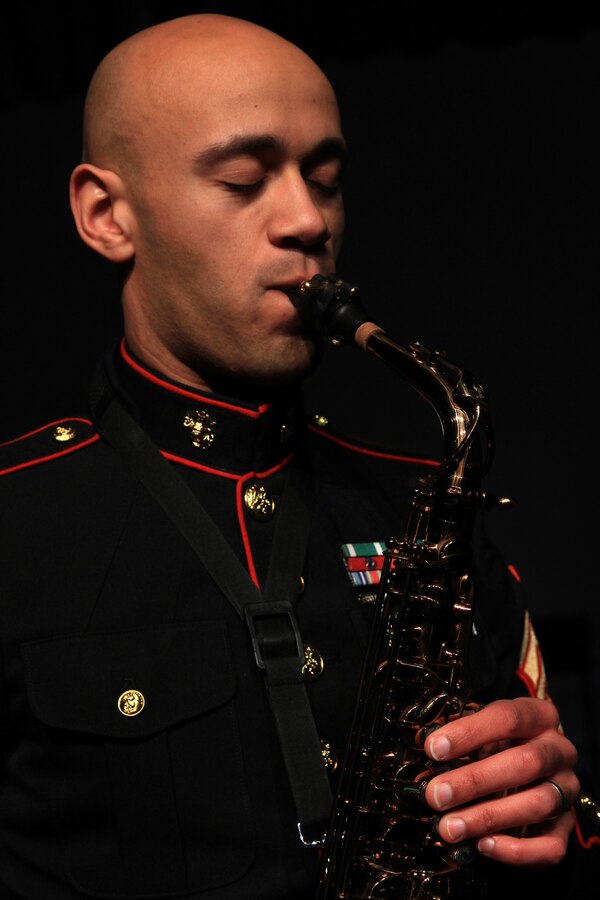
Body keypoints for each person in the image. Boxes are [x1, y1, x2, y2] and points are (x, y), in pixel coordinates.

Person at [0, 12, 586, 899]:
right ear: (107, 215)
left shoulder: (416, 506)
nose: (309, 221)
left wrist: (556, 818)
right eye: (243, 180)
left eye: (326, 179)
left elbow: (549, 810)